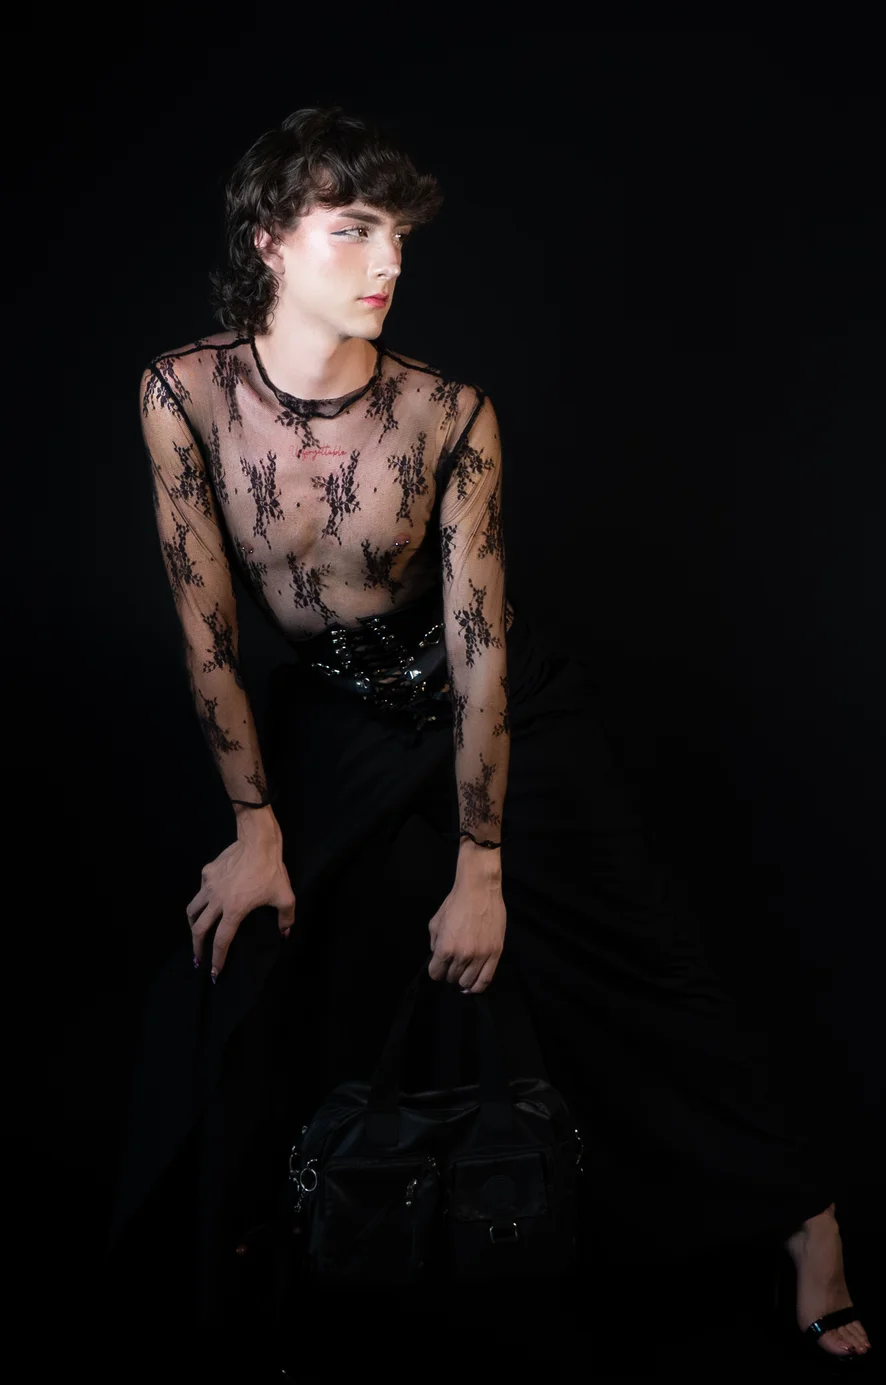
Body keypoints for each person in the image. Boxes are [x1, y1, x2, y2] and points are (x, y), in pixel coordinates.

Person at [111, 105, 870, 1360]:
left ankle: (809, 1223)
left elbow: (479, 652)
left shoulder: (449, 412)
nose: (388, 261)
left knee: (638, 963)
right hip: (337, 710)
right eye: (355, 229)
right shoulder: (180, 392)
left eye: (399, 236)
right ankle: (257, 1242)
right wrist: (255, 824)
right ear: (267, 240)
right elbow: (207, 631)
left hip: (493, 706)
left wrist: (482, 864)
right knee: (242, 950)